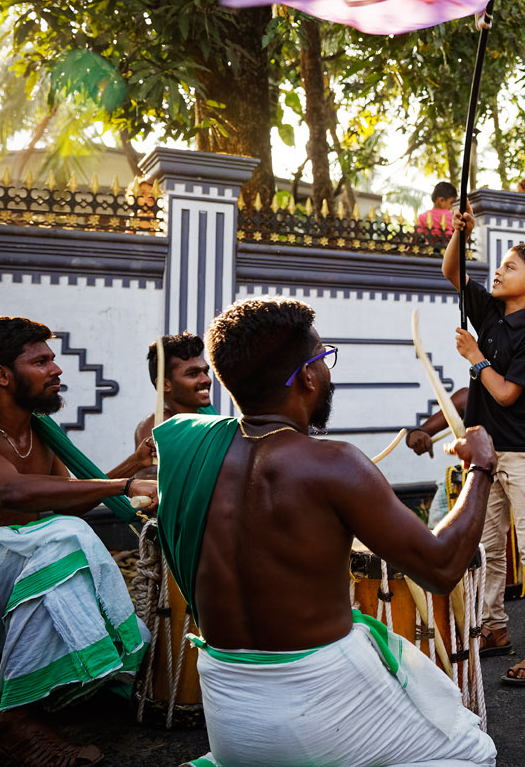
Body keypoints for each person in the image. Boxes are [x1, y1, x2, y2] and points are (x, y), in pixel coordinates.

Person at [150, 298, 497, 767]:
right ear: (307, 376)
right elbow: (441, 566)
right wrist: (480, 467)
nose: (328, 372)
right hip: (318, 703)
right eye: (323, 358)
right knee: (472, 751)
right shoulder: (333, 464)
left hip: (229, 717)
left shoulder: (183, 446)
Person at [0, 317, 157, 767]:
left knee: (130, 633)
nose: (56, 370)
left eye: (53, 359)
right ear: (1, 374)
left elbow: (66, 503)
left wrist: (132, 467)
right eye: (40, 361)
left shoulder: (40, 434)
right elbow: (12, 492)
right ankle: (13, 727)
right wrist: (120, 487)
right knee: (67, 540)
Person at [443, 210, 525, 684]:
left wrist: (476, 358)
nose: (498, 271)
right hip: (487, 451)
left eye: (510, 267)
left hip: (521, 451)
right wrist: (462, 234)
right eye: (500, 265)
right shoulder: (492, 312)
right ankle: (494, 628)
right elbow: (452, 272)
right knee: (490, 545)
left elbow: (506, 394)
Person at [410, 384, 525, 525]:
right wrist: (417, 436)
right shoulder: (470, 395)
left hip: (519, 480)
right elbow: (418, 432)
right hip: (473, 480)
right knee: (440, 521)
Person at [133, 331, 214, 450]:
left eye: (205, 372)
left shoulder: (204, 410)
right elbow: (150, 469)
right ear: (164, 385)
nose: (206, 379)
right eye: (192, 374)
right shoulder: (157, 426)